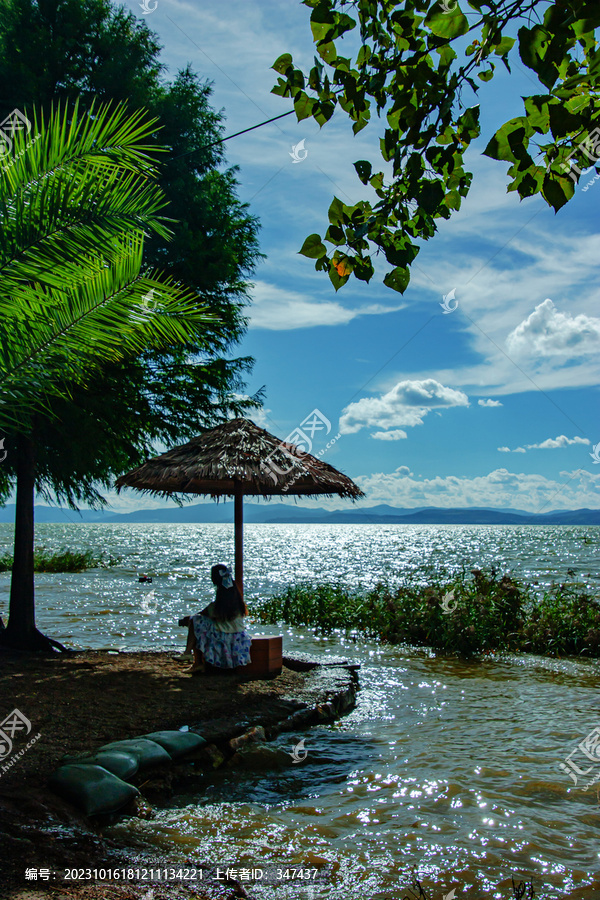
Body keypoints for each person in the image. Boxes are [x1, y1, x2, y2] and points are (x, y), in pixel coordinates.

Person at [180, 564, 252, 674]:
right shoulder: (237, 601)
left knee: (195, 621)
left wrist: (188, 619)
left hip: (224, 635)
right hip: (238, 636)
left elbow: (204, 613)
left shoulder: (219, 604)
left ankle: (193, 658)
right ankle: (190, 656)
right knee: (196, 621)